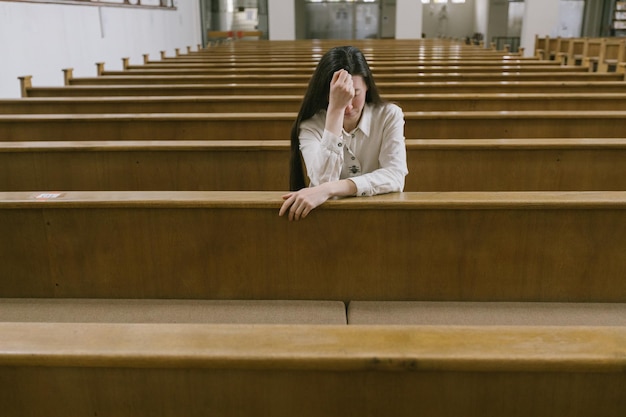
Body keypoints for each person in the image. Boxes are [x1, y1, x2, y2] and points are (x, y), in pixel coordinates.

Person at [279, 45, 408, 221]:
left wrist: (330, 189)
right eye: (339, 96)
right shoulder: (310, 126)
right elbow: (322, 181)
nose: (348, 106)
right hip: (328, 219)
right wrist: (335, 111)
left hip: (380, 216)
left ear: (368, 86)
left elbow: (395, 176)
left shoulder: (389, 115)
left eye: (355, 94)